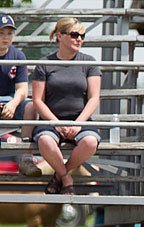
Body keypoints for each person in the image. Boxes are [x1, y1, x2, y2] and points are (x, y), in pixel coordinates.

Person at [31, 17, 101, 194]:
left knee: (91, 142)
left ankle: (58, 176)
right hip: (51, 122)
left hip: (81, 121)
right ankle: (66, 178)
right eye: (75, 34)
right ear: (59, 36)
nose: (80, 39)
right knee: (45, 140)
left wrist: (78, 124)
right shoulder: (44, 64)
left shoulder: (89, 62)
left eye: (83, 36)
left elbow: (94, 98)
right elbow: (38, 100)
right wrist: (56, 123)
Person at [0, 14, 37, 163]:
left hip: (10, 101)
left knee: (31, 106)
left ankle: (26, 157)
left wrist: (13, 104)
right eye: (1, 33)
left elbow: (22, 89)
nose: (6, 37)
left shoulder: (18, 55)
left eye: (10, 33)